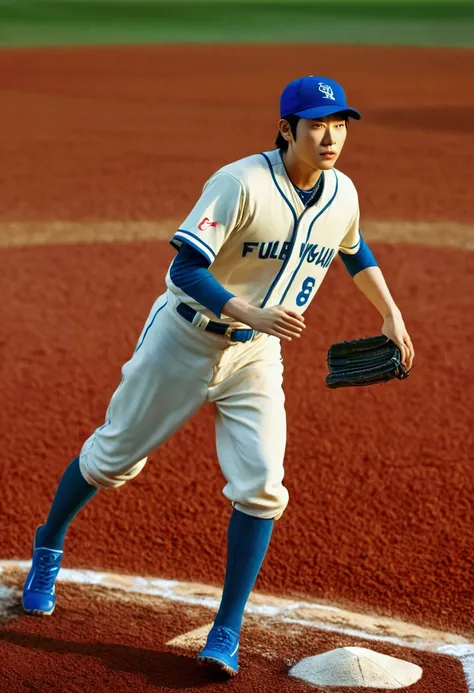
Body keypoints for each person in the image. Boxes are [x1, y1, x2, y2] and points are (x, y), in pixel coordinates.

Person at [22, 76, 414, 678]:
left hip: (256, 357)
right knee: (111, 460)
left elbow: (354, 250)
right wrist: (249, 311)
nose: (331, 136)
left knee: (262, 485)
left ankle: (225, 630)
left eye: (339, 124)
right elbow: (184, 267)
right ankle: (49, 542)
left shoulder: (341, 193)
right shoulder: (240, 182)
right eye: (317, 124)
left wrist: (389, 311)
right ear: (287, 128)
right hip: (181, 340)